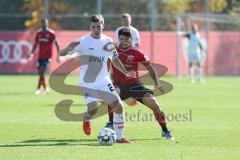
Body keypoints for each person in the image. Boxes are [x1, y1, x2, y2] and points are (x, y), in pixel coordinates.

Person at [59, 15, 136, 143]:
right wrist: (67, 48)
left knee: (118, 106)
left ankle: (119, 137)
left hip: (104, 80)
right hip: (88, 82)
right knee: (94, 108)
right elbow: (62, 53)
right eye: (93, 27)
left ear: (103, 26)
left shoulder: (108, 41)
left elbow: (115, 59)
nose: (96, 29)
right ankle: (86, 119)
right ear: (90, 27)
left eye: (98, 26)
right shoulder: (82, 42)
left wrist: (126, 72)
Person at [106, 27, 174, 140]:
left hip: (135, 85)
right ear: (118, 39)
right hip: (118, 84)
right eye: (121, 39)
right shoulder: (112, 50)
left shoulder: (137, 52)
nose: (124, 41)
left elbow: (150, 67)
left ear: (131, 39)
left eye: (126, 39)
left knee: (155, 105)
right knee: (112, 96)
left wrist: (157, 83)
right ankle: (110, 123)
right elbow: (105, 61)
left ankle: (165, 130)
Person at [28, 18, 60, 94]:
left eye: (45, 23)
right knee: (40, 73)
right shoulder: (38, 33)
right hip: (40, 56)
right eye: (42, 23)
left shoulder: (51, 33)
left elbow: (57, 44)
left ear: (47, 23)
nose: (44, 24)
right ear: (41, 24)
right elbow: (35, 44)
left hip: (48, 56)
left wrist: (58, 55)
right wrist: (31, 53)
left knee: (41, 72)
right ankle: (45, 89)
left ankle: (38, 89)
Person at [116, 13, 140, 105]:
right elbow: (118, 43)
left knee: (133, 77)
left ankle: (135, 96)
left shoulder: (134, 31)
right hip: (121, 57)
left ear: (130, 20)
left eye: (127, 20)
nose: (126, 21)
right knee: (120, 77)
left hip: (131, 57)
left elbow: (137, 45)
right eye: (124, 20)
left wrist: (136, 57)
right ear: (122, 21)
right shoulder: (118, 30)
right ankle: (121, 96)